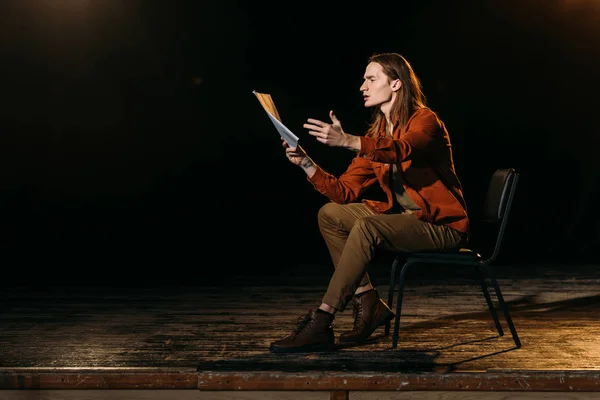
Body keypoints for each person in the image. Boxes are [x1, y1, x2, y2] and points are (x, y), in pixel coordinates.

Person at [269, 52, 469, 353]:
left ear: (396, 84)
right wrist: (306, 164)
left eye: (371, 79)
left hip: (441, 225)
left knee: (366, 226)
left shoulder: (425, 121)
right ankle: (368, 300)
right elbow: (345, 192)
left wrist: (348, 141)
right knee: (331, 214)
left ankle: (322, 319)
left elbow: (401, 149)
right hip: (407, 220)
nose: (363, 86)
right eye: (364, 79)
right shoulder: (376, 134)